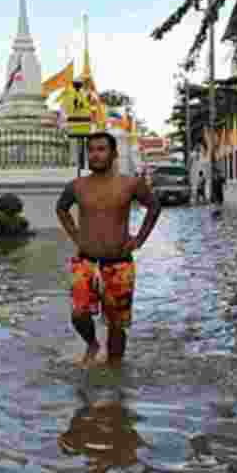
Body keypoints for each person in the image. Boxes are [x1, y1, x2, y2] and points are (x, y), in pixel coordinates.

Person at [56, 132, 162, 366]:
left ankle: (115, 371)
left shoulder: (131, 184)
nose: (95, 154)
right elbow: (62, 209)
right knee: (79, 314)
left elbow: (154, 207)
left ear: (113, 154)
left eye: (101, 149)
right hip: (86, 261)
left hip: (119, 263)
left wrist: (140, 240)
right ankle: (92, 344)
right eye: (92, 150)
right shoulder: (77, 186)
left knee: (116, 324)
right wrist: (75, 235)